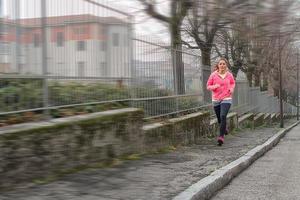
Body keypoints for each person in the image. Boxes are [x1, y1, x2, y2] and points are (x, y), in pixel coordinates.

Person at [206, 58, 236, 146]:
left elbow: (233, 83)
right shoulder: (213, 75)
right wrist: (214, 86)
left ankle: (221, 137)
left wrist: (231, 89)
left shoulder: (229, 75)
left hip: (227, 98)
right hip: (216, 99)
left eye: (224, 64)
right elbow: (208, 86)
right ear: (218, 65)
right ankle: (224, 128)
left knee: (223, 116)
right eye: (220, 64)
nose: (222, 65)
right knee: (219, 118)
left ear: (226, 65)